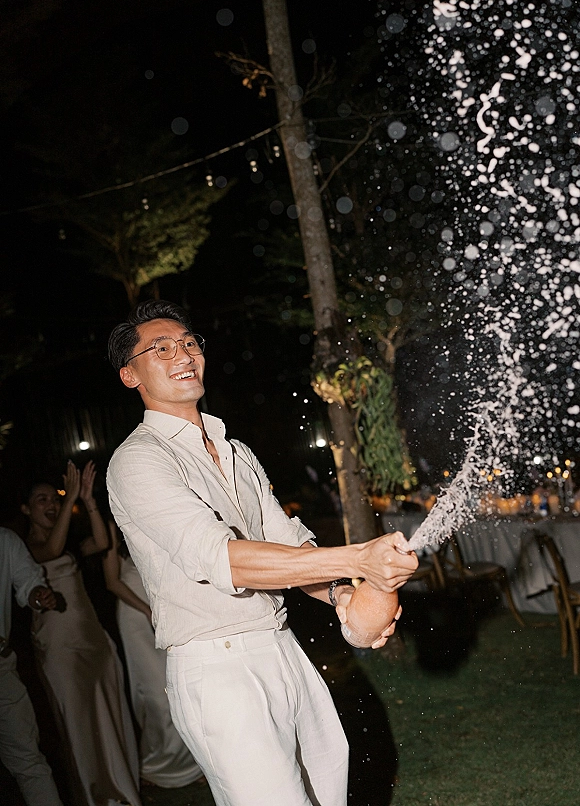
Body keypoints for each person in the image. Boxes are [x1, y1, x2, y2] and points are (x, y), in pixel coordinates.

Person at [106, 300, 418, 806]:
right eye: (159, 349)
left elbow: (289, 546)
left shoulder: (235, 449)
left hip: (283, 648)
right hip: (218, 668)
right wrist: (357, 560)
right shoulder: (137, 461)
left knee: (326, 796)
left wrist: (343, 595)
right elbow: (224, 559)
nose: (182, 354)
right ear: (129, 375)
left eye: (188, 343)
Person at [23, 462, 142, 806]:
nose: (51, 505)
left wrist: (87, 501)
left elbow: (103, 541)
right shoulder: (23, 549)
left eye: (54, 499)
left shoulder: (68, 541)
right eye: (41, 500)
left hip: (93, 640)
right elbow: (52, 551)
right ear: (26, 509)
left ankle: (121, 790)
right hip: (59, 649)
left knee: (109, 717)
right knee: (79, 727)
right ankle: (95, 797)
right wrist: (70, 495)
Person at [103, 521, 204, 788]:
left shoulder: (152, 520)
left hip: (164, 614)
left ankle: (189, 763)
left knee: (180, 689)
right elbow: (112, 582)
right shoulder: (113, 530)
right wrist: (147, 611)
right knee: (157, 695)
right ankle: (156, 765)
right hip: (135, 617)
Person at [0, 526, 63, 806]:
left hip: (2, 669)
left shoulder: (5, 540)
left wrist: (38, 594)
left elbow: (28, 582)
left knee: (29, 761)